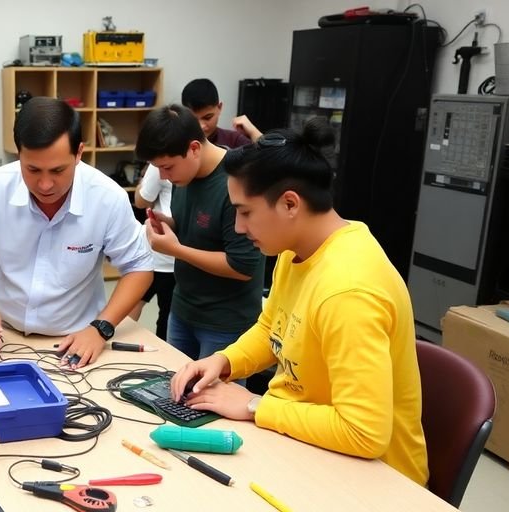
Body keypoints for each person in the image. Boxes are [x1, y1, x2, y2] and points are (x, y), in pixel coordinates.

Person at [169, 119, 428, 486]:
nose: (240, 229)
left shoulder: (348, 292)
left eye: (245, 212)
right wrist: (225, 361)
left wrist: (253, 405)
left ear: (290, 203)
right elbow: (271, 327)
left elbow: (364, 433)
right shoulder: (296, 251)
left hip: (374, 481)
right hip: (307, 443)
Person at [0, 97, 153, 368]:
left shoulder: (106, 197)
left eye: (58, 170)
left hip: (76, 341)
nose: (44, 184)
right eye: (32, 169)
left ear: (79, 153)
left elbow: (139, 267)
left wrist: (101, 328)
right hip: (2, 336)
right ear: (18, 153)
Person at [135, 104, 264, 361]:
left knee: (212, 399)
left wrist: (176, 250)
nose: (163, 176)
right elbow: (199, 229)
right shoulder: (184, 176)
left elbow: (241, 266)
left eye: (168, 167)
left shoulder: (237, 181)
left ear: (194, 148)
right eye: (158, 168)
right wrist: (170, 225)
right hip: (183, 309)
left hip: (224, 322)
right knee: (173, 394)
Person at [129, 164, 174, 340]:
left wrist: (142, 183)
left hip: (159, 251)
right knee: (167, 317)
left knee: (131, 305)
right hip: (171, 253)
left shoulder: (159, 163)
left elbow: (140, 201)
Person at [181, 78, 262, 149]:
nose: (201, 126)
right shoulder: (177, 141)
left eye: (208, 117)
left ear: (219, 107)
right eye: (193, 119)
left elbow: (271, 160)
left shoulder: (234, 141)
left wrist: (252, 131)